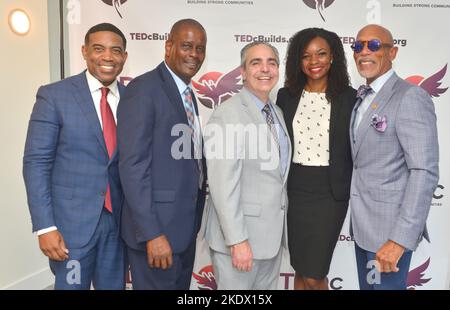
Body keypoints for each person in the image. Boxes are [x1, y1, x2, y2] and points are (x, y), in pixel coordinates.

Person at [23, 23, 128, 289]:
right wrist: (45, 227)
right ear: (84, 51)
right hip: (71, 230)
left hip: (117, 227)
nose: (108, 57)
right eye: (98, 49)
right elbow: (36, 163)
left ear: (124, 57)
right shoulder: (55, 96)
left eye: (116, 51)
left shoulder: (132, 99)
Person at [117, 19, 207, 290]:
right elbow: (133, 167)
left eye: (200, 48)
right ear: (169, 47)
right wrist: (152, 234)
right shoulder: (143, 90)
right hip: (156, 235)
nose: (194, 54)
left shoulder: (188, 94)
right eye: (187, 46)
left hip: (183, 231)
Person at [350, 24, 439, 290]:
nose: (364, 51)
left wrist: (399, 240)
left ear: (393, 52)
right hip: (364, 230)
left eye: (374, 45)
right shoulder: (360, 97)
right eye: (358, 46)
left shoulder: (410, 97)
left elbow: (424, 172)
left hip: (390, 236)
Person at [203, 41, 291, 290]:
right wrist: (237, 241)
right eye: (256, 63)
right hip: (240, 243)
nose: (265, 69)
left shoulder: (277, 113)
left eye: (271, 63)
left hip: (270, 241)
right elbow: (222, 185)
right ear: (242, 71)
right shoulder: (228, 114)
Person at [276, 28, 356, 290]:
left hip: (330, 194)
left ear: (333, 56)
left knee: (314, 273)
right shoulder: (286, 96)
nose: (314, 62)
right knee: (300, 268)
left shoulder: (349, 97)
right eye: (306, 56)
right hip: (295, 190)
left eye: (321, 54)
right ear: (298, 61)